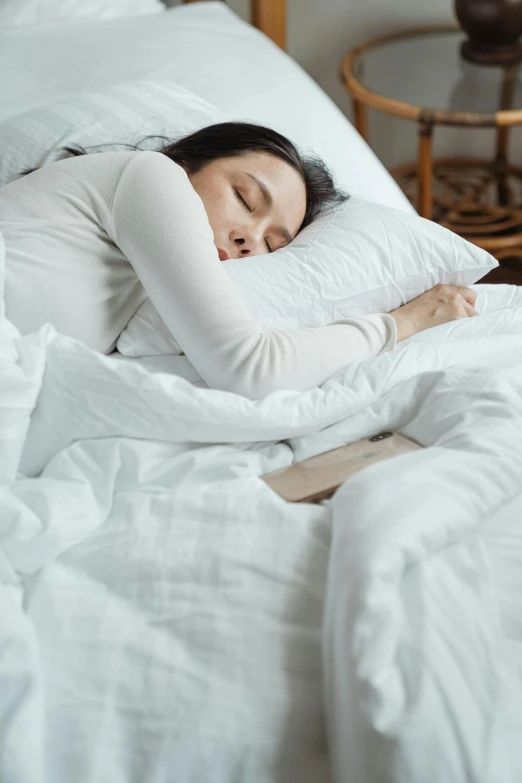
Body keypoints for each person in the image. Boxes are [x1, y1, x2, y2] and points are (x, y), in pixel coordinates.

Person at [0, 121, 479, 399]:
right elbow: (250, 368)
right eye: (245, 200)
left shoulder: (138, 274)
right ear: (186, 159)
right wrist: (403, 323)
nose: (248, 239)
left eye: (273, 244)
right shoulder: (150, 176)